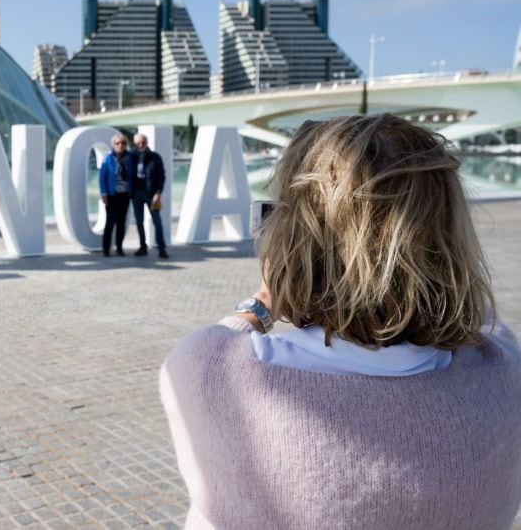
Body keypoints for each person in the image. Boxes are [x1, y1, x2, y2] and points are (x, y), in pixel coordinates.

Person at [159, 114, 521, 530]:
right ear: (449, 238)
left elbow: (215, 344)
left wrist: (263, 303)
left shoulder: (211, 373)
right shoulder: (503, 368)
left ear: (294, 239)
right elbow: (480, 321)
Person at [130, 133, 168, 258]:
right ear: (135, 145)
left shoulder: (155, 157)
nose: (141, 145)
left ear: (147, 143)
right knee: (139, 222)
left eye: (143, 142)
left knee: (157, 221)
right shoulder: (132, 157)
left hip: (152, 194)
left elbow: (161, 176)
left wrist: (158, 193)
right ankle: (143, 246)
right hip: (137, 194)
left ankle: (162, 248)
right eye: (138, 143)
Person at [99, 133, 133, 257]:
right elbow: (102, 178)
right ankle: (106, 249)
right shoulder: (107, 158)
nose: (120, 145)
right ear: (113, 145)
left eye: (123, 143)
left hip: (125, 195)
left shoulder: (130, 158)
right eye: (117, 143)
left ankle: (119, 247)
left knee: (121, 223)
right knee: (110, 222)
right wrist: (103, 193)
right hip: (112, 195)